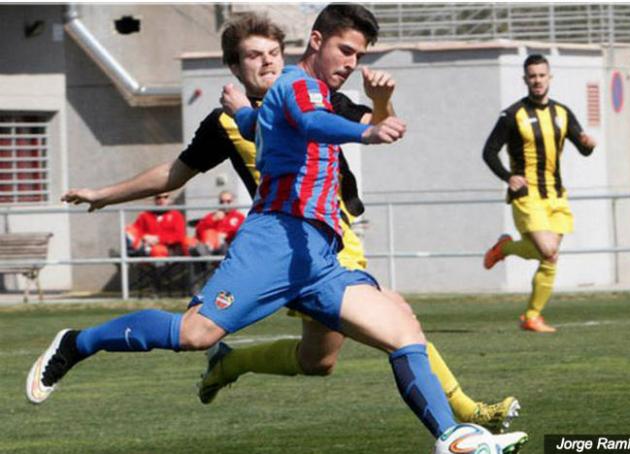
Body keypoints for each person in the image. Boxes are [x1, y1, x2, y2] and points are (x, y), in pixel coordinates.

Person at [27, 7, 526, 451]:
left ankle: (454, 437)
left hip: (321, 254)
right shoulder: (298, 88)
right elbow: (309, 124)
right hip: (275, 240)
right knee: (197, 333)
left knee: (400, 331)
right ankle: (79, 343)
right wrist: (365, 131)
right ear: (316, 41)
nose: (350, 62)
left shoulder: (293, 94)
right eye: (344, 50)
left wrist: (368, 109)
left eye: (358, 54)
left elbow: (267, 125)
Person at [195, 13, 520, 433]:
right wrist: (103, 195)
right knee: (392, 322)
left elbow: (378, 123)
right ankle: (463, 413)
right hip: (287, 244)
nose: (268, 62)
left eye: (274, 53)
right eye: (255, 56)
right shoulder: (225, 122)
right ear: (235, 68)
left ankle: (230, 361)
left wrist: (381, 101)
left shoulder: (315, 94)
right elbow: (175, 173)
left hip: (334, 232)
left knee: (320, 360)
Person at [482, 54, 596, 333]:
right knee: (548, 249)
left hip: (556, 196)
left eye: (541, 75)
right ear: (525, 80)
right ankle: (506, 249)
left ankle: (531, 315)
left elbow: (583, 147)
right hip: (527, 195)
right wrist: (508, 177)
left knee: (549, 256)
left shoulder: (563, 113)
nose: (537, 80)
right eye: (532, 76)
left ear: (549, 78)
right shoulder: (512, 115)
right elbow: (489, 152)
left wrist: (588, 144)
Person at [125, 192, 194, 257]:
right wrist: (144, 237)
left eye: (165, 197)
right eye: (158, 197)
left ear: (169, 199)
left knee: (190, 242)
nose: (162, 200)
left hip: (173, 248)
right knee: (129, 229)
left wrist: (158, 239)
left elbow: (180, 235)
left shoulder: (176, 215)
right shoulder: (145, 215)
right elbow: (136, 230)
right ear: (155, 200)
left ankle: (196, 268)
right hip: (151, 248)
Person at [194, 191, 245, 256]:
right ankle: (209, 263)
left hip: (229, 246)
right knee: (197, 248)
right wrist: (213, 220)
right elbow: (198, 231)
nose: (225, 204)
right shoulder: (212, 216)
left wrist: (226, 235)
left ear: (233, 202)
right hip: (211, 246)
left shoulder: (240, 217)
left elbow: (242, 234)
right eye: (222, 202)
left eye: (228, 201)